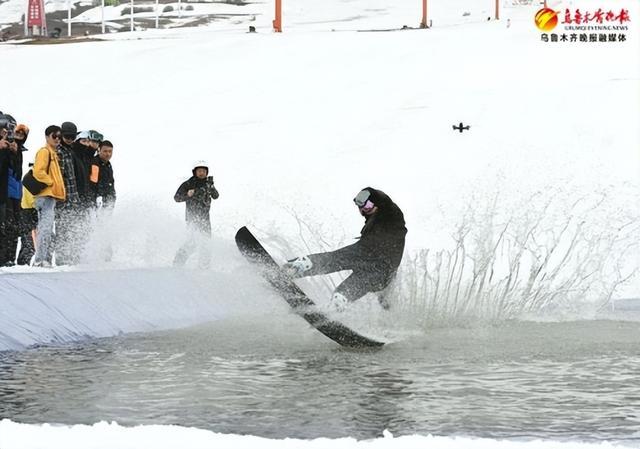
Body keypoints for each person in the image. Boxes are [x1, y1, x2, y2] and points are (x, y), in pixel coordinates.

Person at [283, 187, 407, 312]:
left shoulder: (391, 214)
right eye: (361, 207)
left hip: (377, 264)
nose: (364, 209)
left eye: (368, 205)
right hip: (374, 263)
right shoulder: (372, 221)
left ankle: (334, 308)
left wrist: (370, 194)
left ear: (377, 203)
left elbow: (384, 200)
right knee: (337, 267)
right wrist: (385, 302)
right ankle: (297, 267)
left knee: (345, 285)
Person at [173, 161, 219, 268]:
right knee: (192, 243)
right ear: (195, 172)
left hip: (205, 219)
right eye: (199, 171)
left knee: (206, 244)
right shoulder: (189, 184)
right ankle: (178, 264)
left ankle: (204, 268)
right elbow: (176, 198)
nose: (202, 173)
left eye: (204, 171)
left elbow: (216, 196)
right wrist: (187, 195)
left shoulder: (208, 184)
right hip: (192, 218)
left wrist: (212, 186)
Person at [32, 126, 66, 267]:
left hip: (50, 196)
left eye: (59, 136)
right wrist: (51, 183)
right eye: (54, 136)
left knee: (47, 228)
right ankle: (40, 259)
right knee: (45, 228)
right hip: (45, 195)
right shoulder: (44, 152)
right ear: (47, 136)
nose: (57, 139)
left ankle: (43, 258)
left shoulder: (52, 153)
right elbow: (38, 172)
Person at [0, 124, 28, 266]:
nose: (15, 136)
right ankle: (3, 259)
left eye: (21, 135)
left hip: (16, 195)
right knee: (5, 227)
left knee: (14, 228)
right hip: (5, 194)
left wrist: (14, 152)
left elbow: (17, 173)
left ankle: (9, 259)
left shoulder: (17, 150)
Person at [54, 121, 82, 265]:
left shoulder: (71, 151)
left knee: (74, 230)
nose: (69, 139)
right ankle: (61, 260)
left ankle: (73, 258)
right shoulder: (58, 151)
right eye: (67, 136)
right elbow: (58, 176)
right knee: (62, 230)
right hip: (62, 199)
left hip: (74, 198)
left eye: (72, 137)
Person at [89, 140, 116, 261]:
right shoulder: (95, 163)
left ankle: (106, 254)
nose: (108, 154)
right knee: (99, 227)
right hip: (98, 201)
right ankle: (100, 254)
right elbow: (93, 182)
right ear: (99, 150)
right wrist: (98, 197)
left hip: (108, 201)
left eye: (110, 151)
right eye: (105, 151)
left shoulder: (108, 164)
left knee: (106, 226)